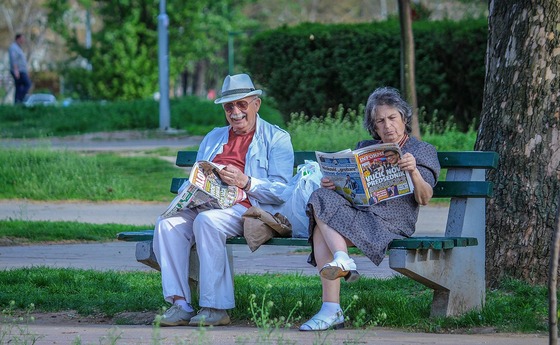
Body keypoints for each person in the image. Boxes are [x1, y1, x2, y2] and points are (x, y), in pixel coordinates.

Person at [152, 73, 294, 327]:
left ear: (256, 104)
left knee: (208, 222)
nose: (236, 112)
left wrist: (246, 182)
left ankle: (216, 307)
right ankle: (180, 303)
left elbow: (282, 191)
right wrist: (191, 192)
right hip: (207, 204)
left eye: (242, 104)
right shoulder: (213, 137)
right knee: (167, 224)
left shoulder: (276, 138)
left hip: (247, 208)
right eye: (229, 107)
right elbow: (197, 175)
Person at [300, 86, 440, 331]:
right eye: (380, 121)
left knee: (320, 231)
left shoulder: (420, 151)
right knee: (320, 195)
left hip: (392, 223)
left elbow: (425, 197)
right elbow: (352, 190)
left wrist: (414, 171)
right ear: (374, 127)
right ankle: (341, 263)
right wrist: (335, 184)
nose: (387, 126)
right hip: (361, 214)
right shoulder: (366, 147)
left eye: (392, 118)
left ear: (404, 118)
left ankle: (331, 307)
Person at [8, 33, 32, 104]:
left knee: (18, 87)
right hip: (19, 71)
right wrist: (16, 70)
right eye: (22, 38)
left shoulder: (19, 48)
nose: (23, 40)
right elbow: (14, 59)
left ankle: (17, 103)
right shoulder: (13, 47)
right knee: (28, 84)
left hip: (22, 71)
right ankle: (20, 99)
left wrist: (27, 72)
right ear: (18, 39)